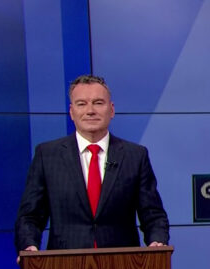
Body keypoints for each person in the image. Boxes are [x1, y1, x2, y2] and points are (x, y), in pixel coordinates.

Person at [15, 75, 169, 258]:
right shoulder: (47, 155)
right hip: (64, 268)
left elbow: (153, 214)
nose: (90, 111)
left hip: (123, 268)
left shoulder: (135, 155)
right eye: (81, 104)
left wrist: (157, 242)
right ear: (72, 112)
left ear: (111, 110)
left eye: (98, 103)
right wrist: (29, 246)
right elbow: (30, 216)